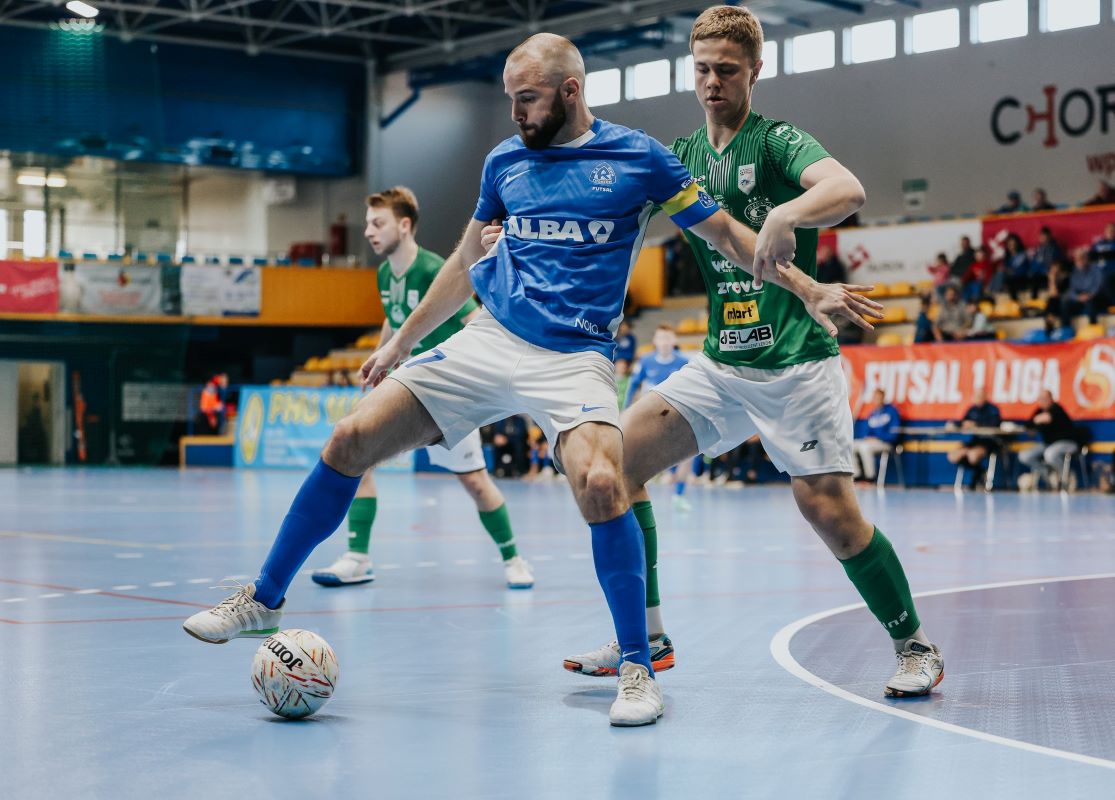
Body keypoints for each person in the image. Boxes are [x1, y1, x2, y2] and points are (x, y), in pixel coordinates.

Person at [183, 32, 876, 728]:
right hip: (490, 337)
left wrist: (806, 287)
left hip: (574, 357)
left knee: (604, 483)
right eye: (510, 98)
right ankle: (264, 598)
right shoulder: (504, 161)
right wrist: (400, 340)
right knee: (350, 439)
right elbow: (459, 263)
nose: (515, 112)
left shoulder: (637, 158)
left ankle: (637, 668)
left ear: (569, 92)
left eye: (527, 98)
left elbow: (725, 233)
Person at [554, 6, 941, 699]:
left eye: (725, 70)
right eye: (700, 69)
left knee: (828, 512)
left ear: (755, 71)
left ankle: (913, 645)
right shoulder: (682, 157)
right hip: (722, 366)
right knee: (614, 464)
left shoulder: (776, 142)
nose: (710, 82)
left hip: (797, 367)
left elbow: (845, 189)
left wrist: (787, 215)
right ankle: (647, 636)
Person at [310, 187, 534, 591]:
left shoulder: (435, 268)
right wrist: (382, 356)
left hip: (447, 390)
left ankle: (513, 557)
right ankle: (357, 557)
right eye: (368, 223)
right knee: (356, 456)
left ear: (405, 225)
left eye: (377, 223)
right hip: (403, 385)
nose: (368, 231)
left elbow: (472, 320)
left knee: (476, 482)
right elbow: (394, 321)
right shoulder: (383, 274)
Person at [626, 325, 693, 511]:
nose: (664, 342)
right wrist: (625, 412)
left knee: (689, 454)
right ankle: (633, 494)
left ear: (674, 341)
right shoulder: (646, 362)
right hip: (651, 417)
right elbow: (633, 386)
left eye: (668, 338)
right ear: (655, 341)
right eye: (660, 338)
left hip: (677, 416)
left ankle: (679, 494)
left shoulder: (683, 362)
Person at [1018, 390, 1080, 490]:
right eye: (1040, 399)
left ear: (1051, 399)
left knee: (1049, 454)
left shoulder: (1057, 409)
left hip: (1068, 442)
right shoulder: (1039, 411)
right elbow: (1028, 425)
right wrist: (1036, 420)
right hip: (1049, 444)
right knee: (1024, 456)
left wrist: (1038, 420)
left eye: (1045, 399)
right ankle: (1049, 473)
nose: (1042, 402)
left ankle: (1067, 476)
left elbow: (1047, 418)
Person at [946, 386, 1002, 490]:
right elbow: (963, 422)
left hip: (989, 441)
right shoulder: (972, 409)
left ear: (986, 396)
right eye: (976, 396)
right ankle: (980, 472)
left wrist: (977, 425)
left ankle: (979, 475)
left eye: (980, 396)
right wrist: (953, 424)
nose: (978, 398)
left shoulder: (993, 409)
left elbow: (995, 425)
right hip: (975, 441)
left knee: (973, 456)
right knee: (953, 456)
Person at [853, 389, 900, 483]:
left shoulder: (892, 412)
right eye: (875, 398)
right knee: (851, 446)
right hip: (872, 442)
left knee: (864, 447)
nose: (877, 400)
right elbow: (867, 432)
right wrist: (868, 437)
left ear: (883, 398)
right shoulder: (873, 413)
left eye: (879, 397)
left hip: (886, 443)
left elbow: (894, 434)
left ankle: (870, 477)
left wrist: (879, 437)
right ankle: (856, 476)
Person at [1059, 247, 1108, 328]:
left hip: (1095, 297)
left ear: (1086, 259)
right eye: (1077, 260)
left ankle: (1093, 326)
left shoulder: (1095, 269)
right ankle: (1066, 329)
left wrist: (1089, 295)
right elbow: (1072, 290)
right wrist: (1078, 297)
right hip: (1080, 298)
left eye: (1082, 258)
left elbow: (1099, 285)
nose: (1079, 261)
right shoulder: (1075, 272)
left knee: (1090, 301)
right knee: (1065, 301)